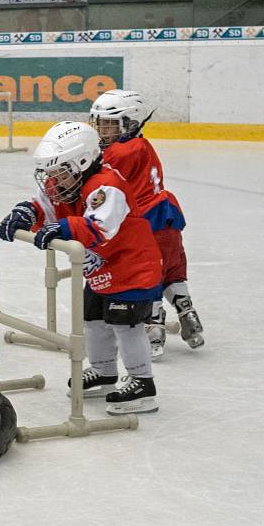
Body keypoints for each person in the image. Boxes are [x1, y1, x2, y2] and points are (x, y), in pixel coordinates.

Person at [0, 122, 162, 415]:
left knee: (126, 327)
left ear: (81, 163)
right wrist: (26, 212)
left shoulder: (106, 186)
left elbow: (100, 226)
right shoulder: (65, 185)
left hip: (132, 270)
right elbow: (46, 206)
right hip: (101, 273)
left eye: (57, 171)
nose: (51, 179)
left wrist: (62, 228)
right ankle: (105, 371)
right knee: (94, 321)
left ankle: (142, 383)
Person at [90, 89, 204, 358]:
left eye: (110, 124)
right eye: (102, 123)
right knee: (172, 271)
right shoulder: (143, 144)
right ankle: (187, 311)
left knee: (147, 276)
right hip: (168, 218)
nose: (103, 129)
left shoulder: (119, 152)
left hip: (146, 224)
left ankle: (154, 334)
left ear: (130, 122)